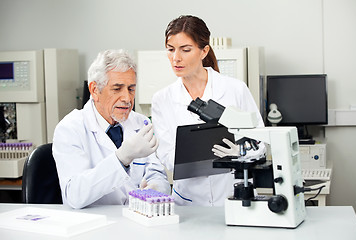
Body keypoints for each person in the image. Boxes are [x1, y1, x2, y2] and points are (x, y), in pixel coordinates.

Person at [151, 15, 265, 206]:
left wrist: (240, 153)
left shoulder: (235, 89)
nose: (176, 58)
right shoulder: (162, 99)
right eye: (170, 50)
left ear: (204, 51)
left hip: (232, 194)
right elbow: (166, 154)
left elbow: (261, 144)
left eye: (185, 50)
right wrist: (198, 156)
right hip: (188, 201)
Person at [53, 49, 170, 209]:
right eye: (117, 89)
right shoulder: (70, 129)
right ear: (94, 90)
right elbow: (75, 195)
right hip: (93, 226)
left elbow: (156, 172)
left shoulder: (140, 122)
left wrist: (156, 188)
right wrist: (122, 158)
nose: (127, 98)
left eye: (131, 89)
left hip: (137, 220)